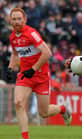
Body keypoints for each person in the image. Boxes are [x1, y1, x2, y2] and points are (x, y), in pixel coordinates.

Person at [7, 8, 72, 139]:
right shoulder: (13, 37)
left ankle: (63, 109)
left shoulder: (32, 33)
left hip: (41, 76)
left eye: (19, 19)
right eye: (14, 19)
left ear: (24, 20)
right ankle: (25, 137)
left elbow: (47, 53)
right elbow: (15, 54)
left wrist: (34, 69)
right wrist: (10, 67)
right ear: (10, 20)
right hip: (25, 76)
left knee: (43, 112)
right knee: (18, 103)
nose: (17, 21)